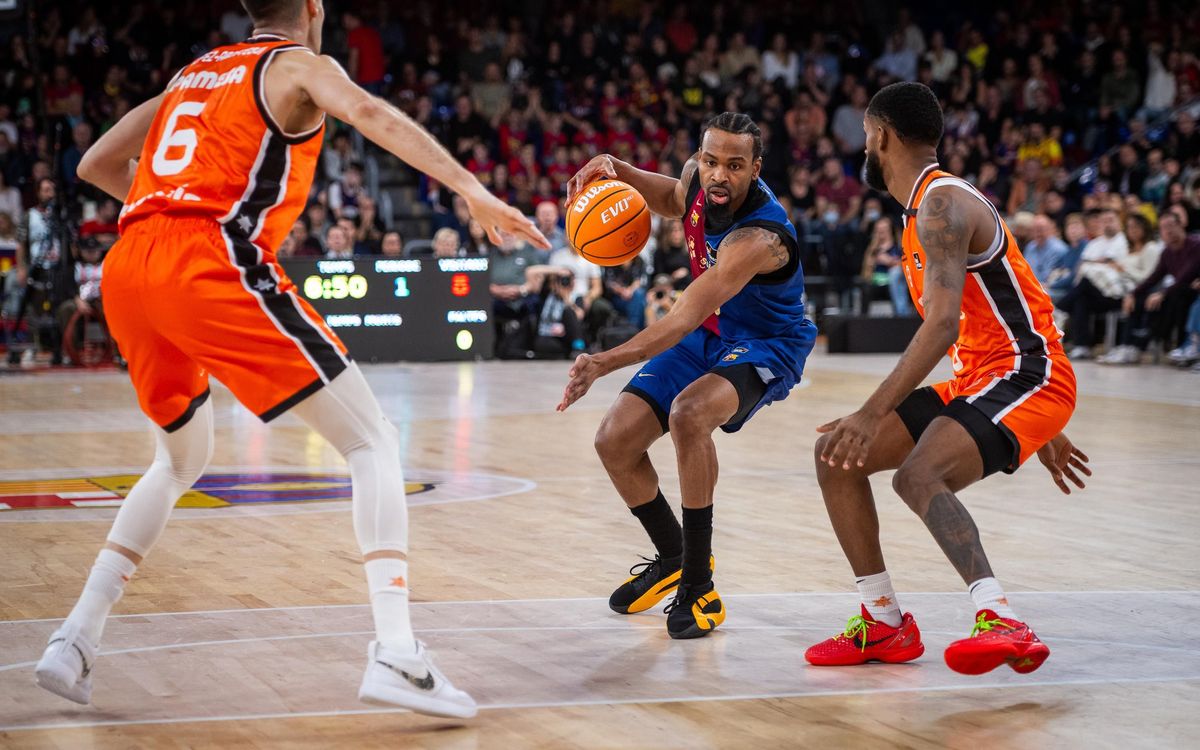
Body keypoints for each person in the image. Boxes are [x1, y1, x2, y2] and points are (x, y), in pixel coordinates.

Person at [34, 0, 547, 719]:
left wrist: (168, 206)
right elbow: (372, 115)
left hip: (131, 261)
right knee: (372, 440)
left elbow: (95, 163)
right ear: (313, 7)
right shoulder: (298, 65)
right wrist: (473, 190)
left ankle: (74, 638)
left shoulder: (194, 74)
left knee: (178, 461)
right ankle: (398, 654)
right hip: (205, 260)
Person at [806, 83, 1090, 675]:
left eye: (865, 134)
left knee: (919, 474)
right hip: (988, 381)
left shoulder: (940, 204)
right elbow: (1003, 303)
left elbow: (940, 327)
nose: (865, 145)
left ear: (880, 134)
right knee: (836, 457)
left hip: (1025, 373)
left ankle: (1001, 617)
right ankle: (883, 622)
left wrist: (871, 412)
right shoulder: (922, 209)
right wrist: (1041, 432)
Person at [558, 113, 816, 639]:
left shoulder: (759, 238)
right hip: (711, 334)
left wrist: (603, 361)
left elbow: (680, 319)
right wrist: (618, 169)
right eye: (711, 161)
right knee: (614, 441)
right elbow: (675, 200)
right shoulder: (699, 179)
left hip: (765, 343)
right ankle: (672, 557)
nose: (719, 175)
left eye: (735, 166)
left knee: (690, 414)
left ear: (756, 168)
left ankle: (698, 584)